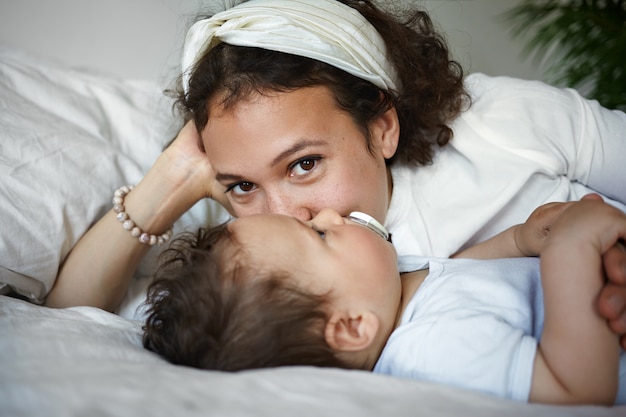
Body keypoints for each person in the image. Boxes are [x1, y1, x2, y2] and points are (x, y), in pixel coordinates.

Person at [45, 0, 626, 346]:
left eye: (304, 164)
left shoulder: (507, 123)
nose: (285, 216)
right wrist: (177, 174)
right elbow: (69, 318)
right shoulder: (254, 255)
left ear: (381, 128)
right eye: (243, 184)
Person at [142, 198, 626, 405]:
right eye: (320, 235)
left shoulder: (397, 287)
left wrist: (521, 240)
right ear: (353, 327)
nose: (328, 212)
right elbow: (575, 390)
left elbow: (467, 279)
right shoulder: (429, 350)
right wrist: (571, 251)